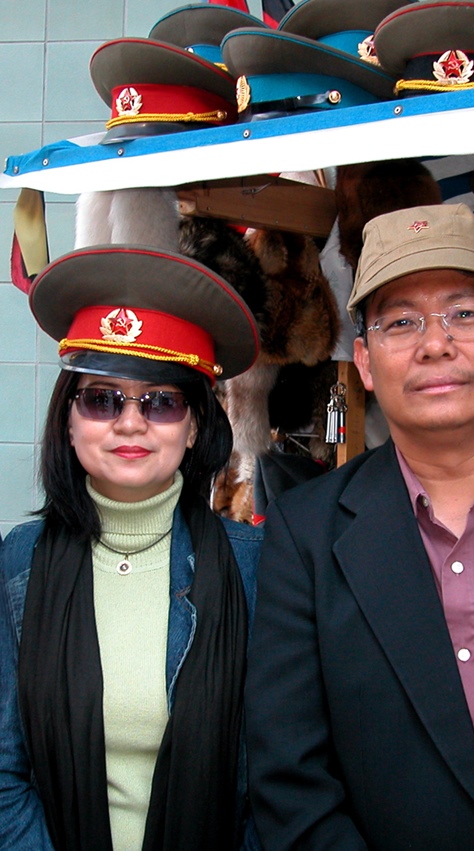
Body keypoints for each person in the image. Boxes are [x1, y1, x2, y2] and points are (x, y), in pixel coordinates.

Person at [245, 203, 474, 851]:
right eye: (402, 322)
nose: (435, 342)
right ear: (366, 363)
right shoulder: (307, 536)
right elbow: (291, 780)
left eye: (464, 312)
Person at [0, 244, 263, 851]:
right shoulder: (19, 564)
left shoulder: (260, 568)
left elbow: (275, 783)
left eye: (161, 401)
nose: (129, 422)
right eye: (102, 398)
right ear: (68, 421)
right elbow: (6, 776)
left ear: (195, 425)